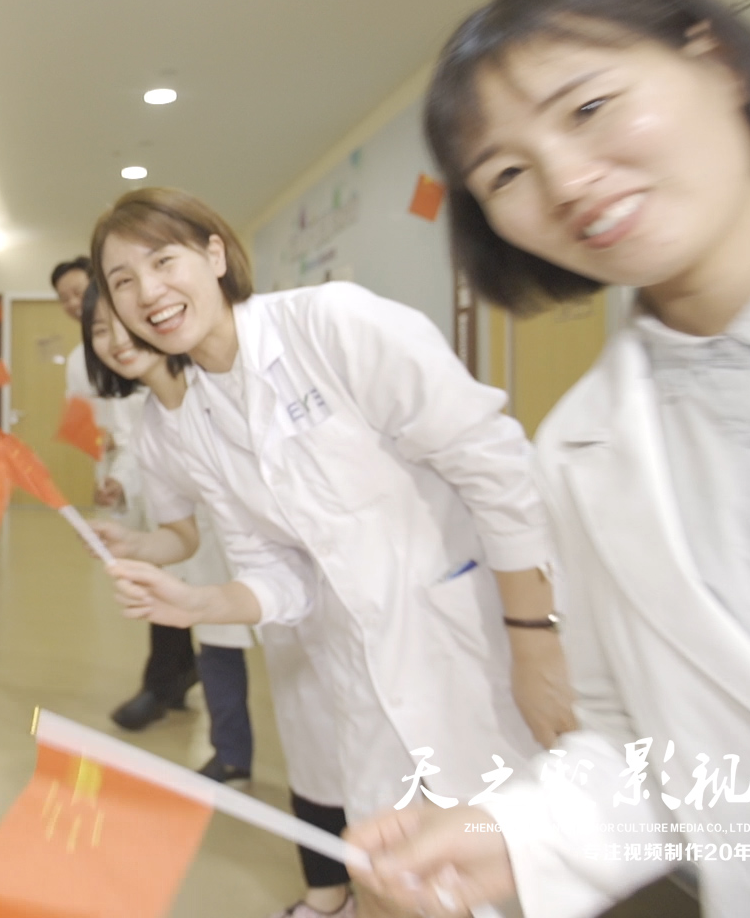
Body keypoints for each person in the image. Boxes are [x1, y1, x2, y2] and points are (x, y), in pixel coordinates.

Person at [349, 0, 750, 918]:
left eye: (589, 108)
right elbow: (646, 744)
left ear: (717, 63)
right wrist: (518, 837)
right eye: (506, 174)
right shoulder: (581, 447)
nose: (569, 182)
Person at [92, 187, 575, 898]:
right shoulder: (193, 425)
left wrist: (535, 641)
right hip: (357, 676)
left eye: (163, 261)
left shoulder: (332, 324)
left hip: (479, 644)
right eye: (123, 281)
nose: (148, 293)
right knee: (403, 883)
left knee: (532, 870)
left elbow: (494, 463)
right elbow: (277, 571)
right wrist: (198, 603)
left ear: (216, 255)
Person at [83, 286, 353, 918]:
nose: (116, 339)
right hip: (263, 592)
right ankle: (328, 892)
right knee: (310, 742)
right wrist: (135, 544)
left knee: (371, 743)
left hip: (340, 582)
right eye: (98, 329)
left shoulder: (229, 384)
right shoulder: (154, 426)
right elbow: (181, 534)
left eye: (123, 320)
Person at [57, 253, 199, 731]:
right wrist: (108, 474)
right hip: (133, 478)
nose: (74, 302)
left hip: (173, 481)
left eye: (80, 291)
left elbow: (141, 427)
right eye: (65, 299)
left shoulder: (157, 347)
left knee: (190, 586)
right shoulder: (81, 360)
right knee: (159, 577)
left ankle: (171, 680)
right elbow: (93, 424)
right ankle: (172, 677)